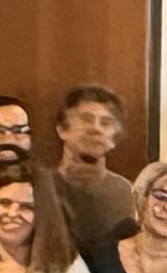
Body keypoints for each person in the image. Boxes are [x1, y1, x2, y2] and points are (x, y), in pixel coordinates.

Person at [51, 85, 138, 244]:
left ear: (114, 138)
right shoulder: (40, 186)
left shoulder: (125, 193)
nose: (96, 128)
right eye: (86, 119)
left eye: (106, 123)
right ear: (62, 130)